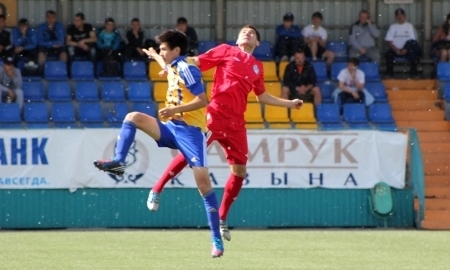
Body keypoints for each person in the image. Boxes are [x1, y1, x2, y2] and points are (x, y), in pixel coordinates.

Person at [146, 25, 303, 242]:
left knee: (239, 172)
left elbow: (262, 97)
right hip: (215, 115)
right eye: (243, 32)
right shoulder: (226, 51)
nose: (247, 33)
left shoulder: (257, 67)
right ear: (237, 39)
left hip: (237, 123)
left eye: (252, 33)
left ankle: (221, 218)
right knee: (192, 154)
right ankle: (157, 189)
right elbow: (195, 62)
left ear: (257, 42)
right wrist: (169, 65)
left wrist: (289, 103)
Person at [93, 30, 224, 258]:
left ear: (177, 50)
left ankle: (216, 239)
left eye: (165, 48)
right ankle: (119, 162)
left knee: (203, 185)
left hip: (191, 133)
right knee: (132, 117)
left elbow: (202, 100)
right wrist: (154, 54)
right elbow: (164, 61)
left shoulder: (188, 68)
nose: (163, 52)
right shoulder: (173, 63)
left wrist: (175, 109)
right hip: (171, 127)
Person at [385, 8, 422, 78]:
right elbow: (388, 40)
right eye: (398, 16)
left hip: (407, 49)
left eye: (401, 16)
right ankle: (390, 75)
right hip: (395, 49)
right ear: (395, 17)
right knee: (388, 54)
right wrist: (396, 50)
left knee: (415, 54)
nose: (400, 17)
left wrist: (406, 49)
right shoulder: (392, 27)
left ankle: (413, 74)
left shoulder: (409, 26)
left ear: (405, 16)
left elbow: (413, 41)